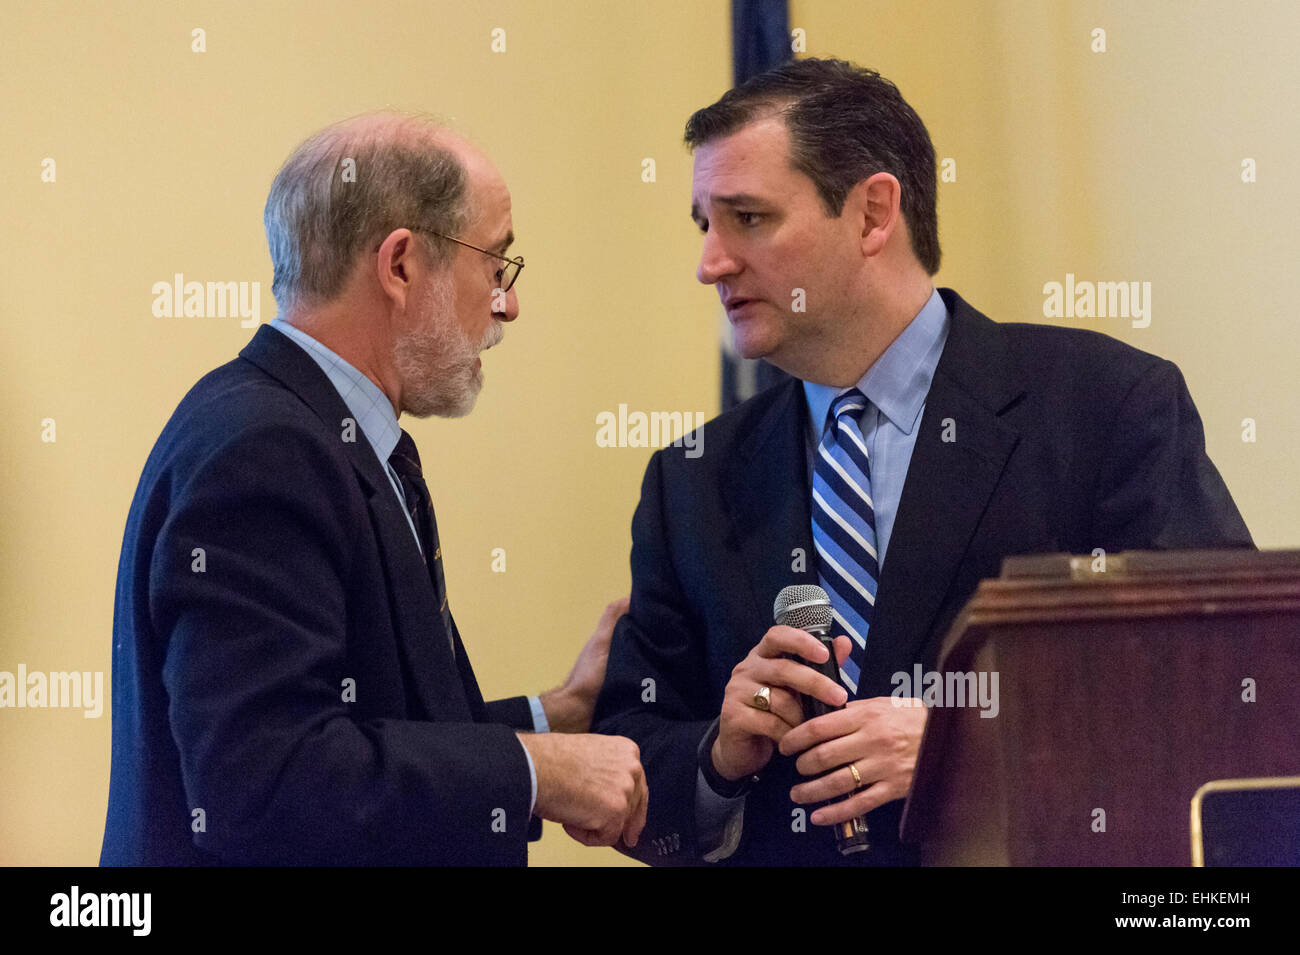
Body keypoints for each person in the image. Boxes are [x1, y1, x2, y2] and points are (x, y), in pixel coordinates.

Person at [591, 58, 1253, 866]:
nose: (712, 262)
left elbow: (1230, 692)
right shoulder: (689, 478)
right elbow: (628, 753)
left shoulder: (1106, 409)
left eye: (749, 218)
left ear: (872, 213)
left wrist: (972, 747)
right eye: (705, 224)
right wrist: (719, 756)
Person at [101, 112, 647, 865]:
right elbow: (264, 784)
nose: (507, 303)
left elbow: (366, 728)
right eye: (496, 264)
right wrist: (533, 773)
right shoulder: (267, 450)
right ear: (399, 266)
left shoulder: (306, 430)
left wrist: (552, 716)